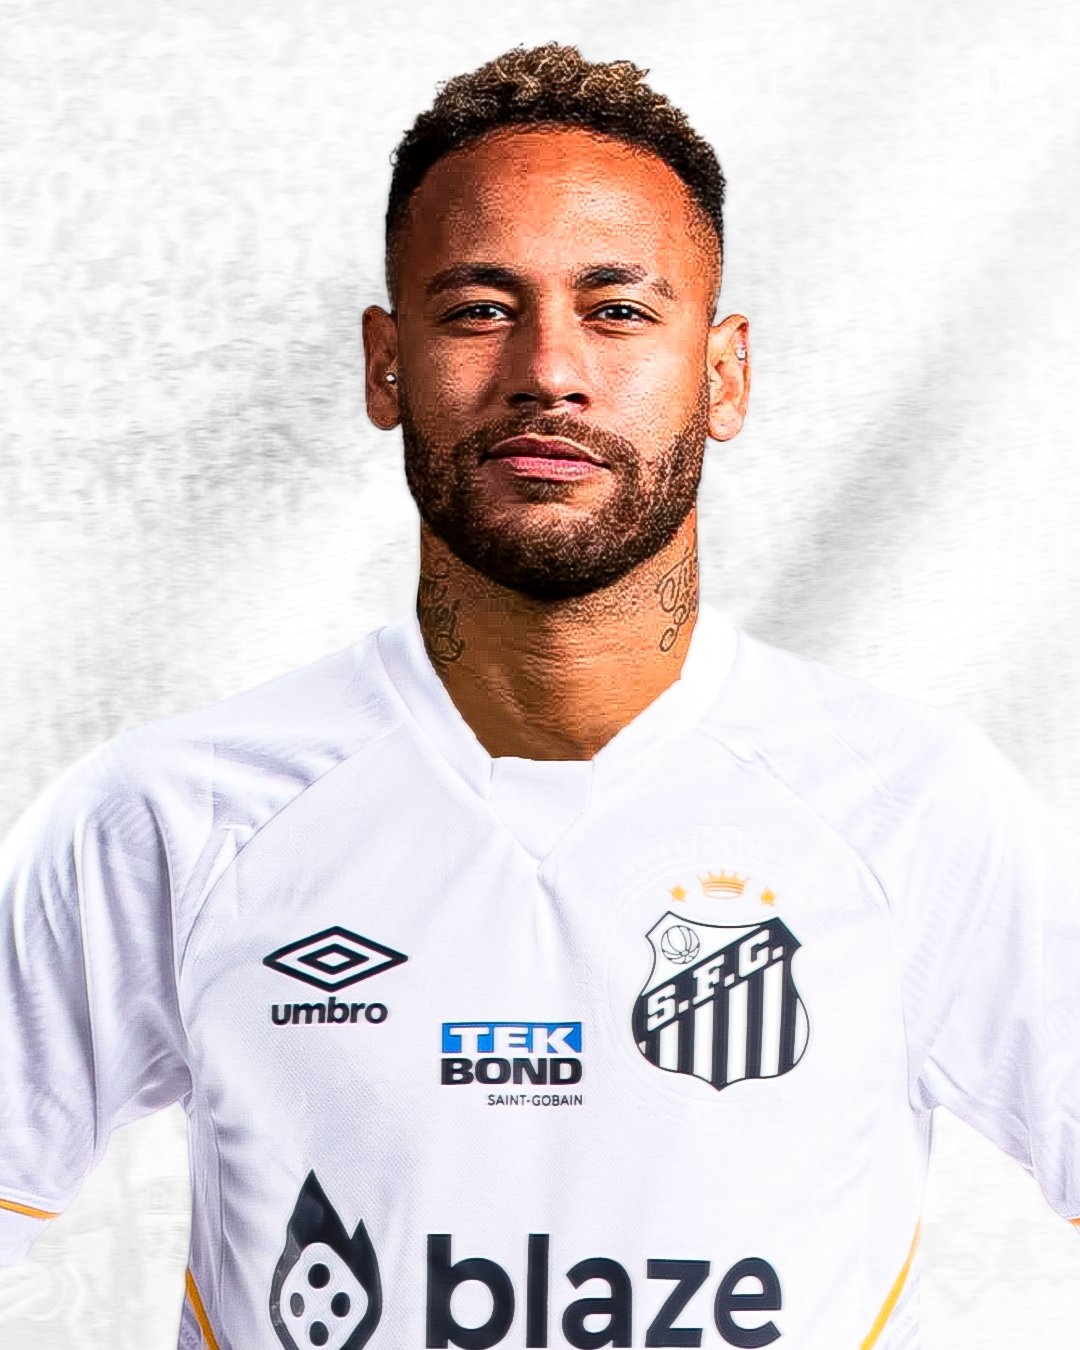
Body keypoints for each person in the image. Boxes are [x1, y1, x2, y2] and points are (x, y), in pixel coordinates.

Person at [0, 41, 1076, 1350]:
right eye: (477, 309)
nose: (547, 371)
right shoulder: (169, 816)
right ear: (385, 365)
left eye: (616, 310)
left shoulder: (915, 812)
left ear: (724, 374)